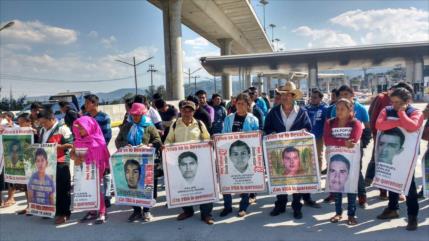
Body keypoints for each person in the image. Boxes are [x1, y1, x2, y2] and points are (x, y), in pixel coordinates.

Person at [264, 81, 319, 219]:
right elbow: (267, 127)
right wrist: (271, 133)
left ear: (294, 96)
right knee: (280, 178)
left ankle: (296, 206)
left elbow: (308, 128)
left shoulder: (302, 112)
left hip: (296, 153)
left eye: (289, 95)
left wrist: (303, 132)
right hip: (278, 152)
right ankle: (280, 205)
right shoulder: (273, 112)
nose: (285, 97)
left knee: (297, 180)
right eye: (283, 94)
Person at [375, 87, 424, 231]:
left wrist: (401, 114)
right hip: (389, 150)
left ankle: (412, 217)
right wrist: (398, 122)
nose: (394, 105)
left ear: (407, 101)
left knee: (409, 185)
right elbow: (379, 125)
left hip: (407, 154)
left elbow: (412, 126)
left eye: (398, 103)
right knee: (391, 179)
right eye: (393, 102)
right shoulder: (387, 110)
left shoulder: (416, 112)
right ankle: (392, 208)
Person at [164, 100, 214, 225]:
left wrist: (209, 143)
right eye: (184, 110)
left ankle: (206, 214)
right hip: (180, 162)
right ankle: (188, 211)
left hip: (197, 162)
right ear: (180, 111)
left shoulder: (200, 124)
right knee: (183, 186)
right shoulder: (175, 125)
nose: (187, 113)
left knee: (203, 186)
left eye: (189, 110)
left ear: (194, 111)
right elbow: (169, 140)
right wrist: (166, 148)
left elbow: (207, 138)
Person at [365, 82, 414, 200]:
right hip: (382, 135)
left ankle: (397, 190)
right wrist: (375, 133)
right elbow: (373, 115)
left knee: (398, 163)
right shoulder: (382, 98)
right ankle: (380, 188)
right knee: (379, 160)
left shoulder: (410, 108)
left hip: (401, 139)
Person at [115, 102, 162, 222]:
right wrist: (126, 145)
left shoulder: (149, 126)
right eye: (133, 115)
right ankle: (136, 210)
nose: (135, 117)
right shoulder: (126, 126)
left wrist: (147, 145)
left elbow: (158, 141)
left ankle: (146, 211)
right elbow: (118, 141)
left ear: (142, 114)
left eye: (137, 115)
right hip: (130, 161)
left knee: (148, 185)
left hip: (147, 161)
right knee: (132, 187)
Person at [324, 98, 363, 225]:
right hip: (334, 158)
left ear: (350, 110)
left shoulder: (356, 123)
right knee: (337, 187)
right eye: (337, 109)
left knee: (351, 187)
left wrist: (337, 141)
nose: (339, 112)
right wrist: (342, 142)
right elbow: (327, 140)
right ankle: (338, 213)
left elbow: (353, 141)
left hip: (351, 159)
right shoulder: (330, 122)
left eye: (342, 109)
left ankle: (351, 215)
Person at [220, 93, 259, 217]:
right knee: (226, 180)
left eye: (243, 104)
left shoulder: (253, 119)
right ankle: (227, 206)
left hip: (245, 155)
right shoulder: (229, 118)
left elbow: (255, 138)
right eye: (238, 103)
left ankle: (243, 207)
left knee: (246, 180)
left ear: (248, 105)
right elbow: (223, 134)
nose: (240, 106)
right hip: (230, 153)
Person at [330, 85, 370, 208]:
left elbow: (367, 127)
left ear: (352, 96)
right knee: (336, 168)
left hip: (355, 145)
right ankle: (334, 194)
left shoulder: (361, 108)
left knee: (356, 170)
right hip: (338, 146)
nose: (343, 97)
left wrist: (363, 142)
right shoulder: (334, 109)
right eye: (340, 95)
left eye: (346, 95)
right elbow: (331, 126)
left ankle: (362, 196)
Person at [70, 116, 110, 224]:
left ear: (90, 127)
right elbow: (72, 153)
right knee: (86, 189)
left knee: (96, 190)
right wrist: (75, 157)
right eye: (78, 128)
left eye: (82, 128)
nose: (80, 130)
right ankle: (92, 211)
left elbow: (104, 155)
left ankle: (102, 212)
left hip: (95, 170)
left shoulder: (98, 140)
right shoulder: (77, 140)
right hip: (82, 170)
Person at [37, 109, 73, 225]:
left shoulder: (63, 128)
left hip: (61, 163)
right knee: (52, 189)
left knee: (63, 189)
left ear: (52, 119)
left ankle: (65, 214)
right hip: (47, 163)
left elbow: (72, 144)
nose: (43, 125)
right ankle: (55, 211)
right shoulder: (42, 130)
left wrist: (60, 146)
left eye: (44, 122)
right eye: (41, 123)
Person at [84, 94, 113, 208]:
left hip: (101, 150)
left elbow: (107, 135)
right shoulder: (85, 117)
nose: (85, 105)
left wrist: (96, 146)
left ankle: (106, 197)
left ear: (94, 104)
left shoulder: (104, 117)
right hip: (88, 152)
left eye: (87, 103)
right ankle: (94, 197)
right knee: (91, 174)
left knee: (105, 174)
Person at [305, 88, 328, 173]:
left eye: (315, 97)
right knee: (307, 156)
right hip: (307, 137)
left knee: (318, 156)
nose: (312, 99)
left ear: (320, 98)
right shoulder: (306, 108)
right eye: (311, 97)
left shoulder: (325, 109)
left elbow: (327, 123)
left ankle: (318, 173)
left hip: (319, 137)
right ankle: (309, 173)